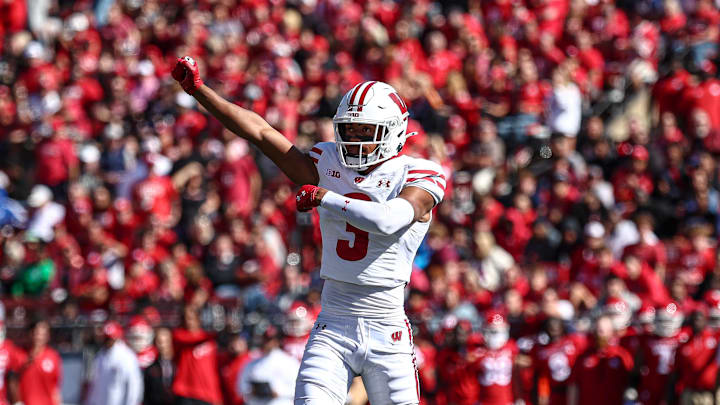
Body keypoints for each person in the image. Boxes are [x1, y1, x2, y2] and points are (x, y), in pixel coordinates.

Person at [172, 56, 446, 404]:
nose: (355, 141)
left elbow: (389, 220)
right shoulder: (328, 161)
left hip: (387, 327)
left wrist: (324, 197)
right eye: (349, 130)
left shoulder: (418, 173)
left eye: (366, 132)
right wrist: (198, 91)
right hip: (333, 322)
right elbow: (260, 132)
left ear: (394, 129)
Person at [171, 305, 222, 405]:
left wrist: (217, 395)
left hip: (207, 395)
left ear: (199, 319)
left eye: (191, 318)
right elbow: (191, 340)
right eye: (185, 318)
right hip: (186, 392)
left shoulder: (210, 341)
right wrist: (214, 334)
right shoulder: (179, 336)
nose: (188, 321)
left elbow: (212, 370)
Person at [84, 321, 143, 405]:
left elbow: (134, 385)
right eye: (105, 338)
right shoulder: (100, 355)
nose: (107, 341)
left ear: (116, 338)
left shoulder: (127, 356)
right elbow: (95, 384)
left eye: (109, 338)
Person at [238, 325, 300, 405]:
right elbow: (241, 388)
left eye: (270, 340)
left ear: (278, 341)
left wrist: (278, 392)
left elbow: (299, 389)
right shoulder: (252, 364)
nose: (266, 343)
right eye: (264, 339)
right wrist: (252, 391)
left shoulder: (289, 362)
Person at [16, 318, 62, 405]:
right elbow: (12, 382)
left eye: (43, 334)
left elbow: (55, 388)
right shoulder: (18, 354)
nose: (39, 337)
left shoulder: (53, 356)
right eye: (36, 333)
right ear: (30, 333)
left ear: (48, 336)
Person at [143, 328, 176, 405]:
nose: (163, 345)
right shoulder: (150, 370)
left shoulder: (180, 365)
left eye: (166, 341)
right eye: (159, 342)